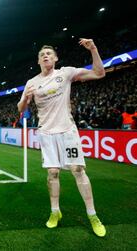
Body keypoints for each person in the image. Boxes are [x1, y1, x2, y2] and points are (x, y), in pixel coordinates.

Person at [17, 39, 106, 237]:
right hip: (46, 133)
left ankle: (93, 216)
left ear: (55, 58)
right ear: (38, 61)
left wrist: (93, 49)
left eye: (49, 53)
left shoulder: (65, 73)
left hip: (67, 131)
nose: (45, 56)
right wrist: (25, 99)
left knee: (77, 170)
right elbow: (21, 110)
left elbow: (100, 73)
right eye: (42, 55)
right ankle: (55, 212)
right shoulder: (32, 83)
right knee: (53, 173)